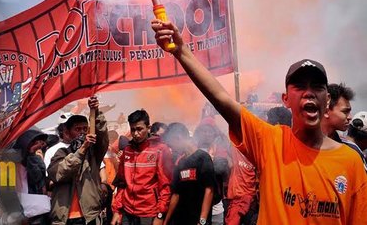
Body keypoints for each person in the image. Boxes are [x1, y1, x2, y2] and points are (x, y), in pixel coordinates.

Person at [151, 20, 367, 224]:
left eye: (317, 87)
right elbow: (220, 97)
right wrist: (181, 51)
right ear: (286, 99)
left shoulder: (351, 162)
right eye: (299, 86)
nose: (308, 93)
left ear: (327, 99)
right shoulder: (271, 141)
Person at [47, 96, 109, 225]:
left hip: (89, 217)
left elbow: (102, 136)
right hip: (64, 218)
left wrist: (96, 111)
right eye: (77, 129)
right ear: (68, 133)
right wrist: (82, 150)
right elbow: (58, 174)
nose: (82, 133)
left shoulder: (93, 154)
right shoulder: (60, 153)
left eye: (85, 129)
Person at [111, 109, 173, 225]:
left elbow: (165, 186)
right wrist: (117, 211)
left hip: (149, 213)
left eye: (139, 129)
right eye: (133, 129)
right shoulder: (127, 151)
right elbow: (121, 184)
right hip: (127, 212)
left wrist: (160, 215)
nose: (136, 133)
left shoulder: (160, 150)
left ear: (148, 128)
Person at [162, 125, 215, 225]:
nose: (171, 148)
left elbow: (209, 190)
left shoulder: (203, 158)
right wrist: (166, 221)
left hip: (198, 220)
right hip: (181, 219)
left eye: (171, 144)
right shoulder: (180, 162)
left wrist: (202, 220)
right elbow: (176, 194)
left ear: (178, 138)